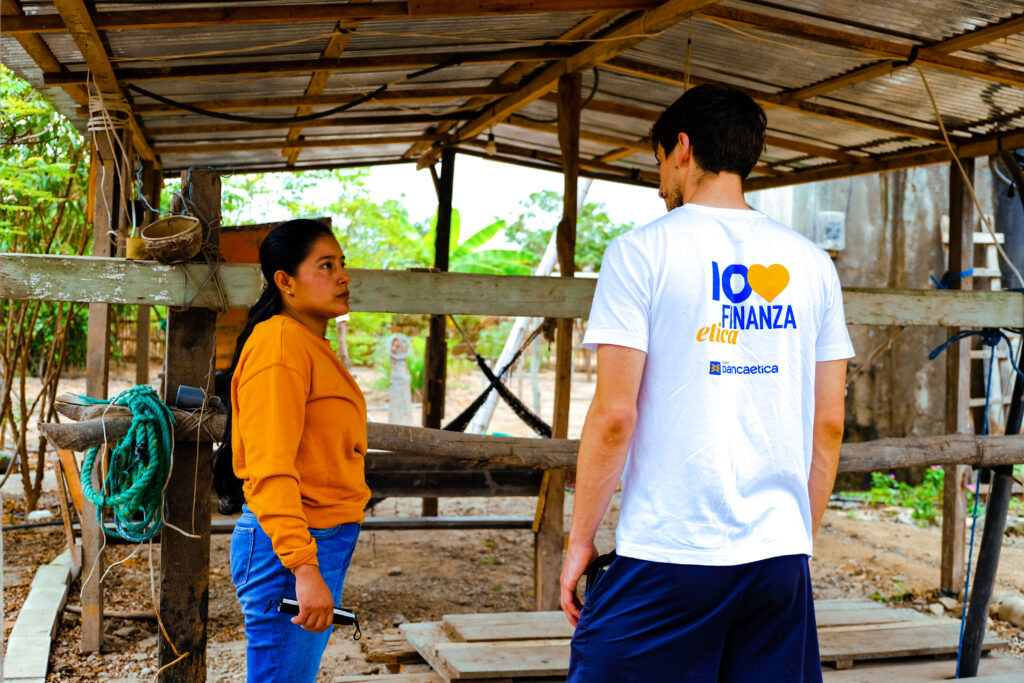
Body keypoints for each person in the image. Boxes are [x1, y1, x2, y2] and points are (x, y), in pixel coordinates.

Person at [559, 85, 853, 682]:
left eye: (661, 161)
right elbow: (829, 423)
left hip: (672, 550)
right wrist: (798, 540)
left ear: (684, 149)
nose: (660, 180)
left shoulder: (640, 253)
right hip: (778, 557)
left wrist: (578, 544)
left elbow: (615, 416)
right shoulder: (813, 263)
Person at [212, 219, 370, 683]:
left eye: (342, 265)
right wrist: (303, 567)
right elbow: (270, 469)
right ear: (285, 281)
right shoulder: (281, 347)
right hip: (292, 547)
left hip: (314, 537)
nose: (343, 276)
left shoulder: (304, 343)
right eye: (326, 265)